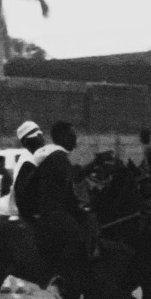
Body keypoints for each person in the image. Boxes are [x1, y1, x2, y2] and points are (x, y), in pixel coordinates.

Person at [13, 119, 92, 289]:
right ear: (27, 141)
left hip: (42, 207)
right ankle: (62, 274)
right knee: (75, 234)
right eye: (38, 137)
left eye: (41, 135)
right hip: (41, 210)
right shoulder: (40, 158)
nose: (42, 140)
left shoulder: (47, 155)